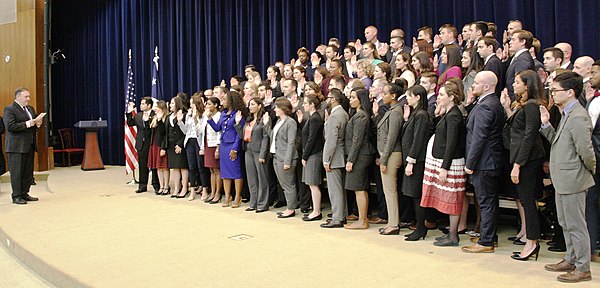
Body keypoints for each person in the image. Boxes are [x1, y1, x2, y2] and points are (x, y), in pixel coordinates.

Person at [541, 72, 594, 283]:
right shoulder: (566, 114)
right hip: (563, 178)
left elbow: (586, 152)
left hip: (574, 179)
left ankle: (583, 267)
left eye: (555, 91)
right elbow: (559, 143)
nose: (552, 94)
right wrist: (546, 125)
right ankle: (571, 259)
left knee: (576, 225)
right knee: (565, 222)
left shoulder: (579, 116)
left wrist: (590, 170)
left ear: (570, 92)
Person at [502, 70, 546, 260]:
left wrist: (518, 164)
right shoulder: (524, 105)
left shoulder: (532, 106)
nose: (513, 84)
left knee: (528, 201)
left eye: (518, 82)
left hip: (527, 159)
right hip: (521, 156)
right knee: (525, 200)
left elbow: (529, 136)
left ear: (527, 85)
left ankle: (532, 242)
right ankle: (530, 241)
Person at [462, 71, 505, 253]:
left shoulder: (487, 106)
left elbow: (479, 137)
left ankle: (486, 242)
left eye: (477, 83)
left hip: (484, 162)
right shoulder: (488, 103)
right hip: (488, 161)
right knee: (488, 201)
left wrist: (470, 164)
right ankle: (488, 235)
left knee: (486, 201)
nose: (473, 85)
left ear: (486, 86)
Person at [421, 81, 466, 246]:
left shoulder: (454, 115)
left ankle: (453, 235)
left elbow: (452, 143)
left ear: (451, 97)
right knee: (447, 198)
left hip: (451, 164)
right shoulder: (448, 113)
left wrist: (444, 167)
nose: (438, 97)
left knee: (452, 199)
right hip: (443, 161)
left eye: (441, 95)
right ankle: (451, 234)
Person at [207, 91, 247, 208]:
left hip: (233, 145)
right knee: (225, 173)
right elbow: (217, 128)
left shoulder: (238, 114)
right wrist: (210, 118)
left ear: (231, 101)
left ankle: (237, 196)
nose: (222, 102)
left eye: (224, 100)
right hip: (224, 145)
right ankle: (227, 196)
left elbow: (239, 134)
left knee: (236, 172)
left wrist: (235, 148)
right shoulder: (224, 113)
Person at [374, 83, 405, 235]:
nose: (382, 95)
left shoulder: (396, 112)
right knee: (388, 190)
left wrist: (384, 159)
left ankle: (393, 224)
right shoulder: (392, 110)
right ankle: (392, 221)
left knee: (390, 191)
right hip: (388, 153)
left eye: (385, 93)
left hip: (392, 154)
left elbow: (392, 138)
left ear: (393, 96)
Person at [401, 85, 431, 241]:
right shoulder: (415, 114)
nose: (407, 98)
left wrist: (411, 161)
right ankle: (419, 227)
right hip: (411, 159)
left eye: (409, 95)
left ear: (418, 97)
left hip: (416, 160)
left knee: (416, 195)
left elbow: (418, 140)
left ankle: (420, 228)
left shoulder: (421, 115)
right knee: (413, 195)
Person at [344, 88, 376, 229]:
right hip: (361, 154)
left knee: (359, 188)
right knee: (361, 187)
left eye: (353, 97)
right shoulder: (358, 115)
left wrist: (351, 160)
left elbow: (357, 140)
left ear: (360, 99)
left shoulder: (361, 116)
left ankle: (362, 220)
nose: (350, 100)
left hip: (360, 155)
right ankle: (363, 218)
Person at [4, 88, 42, 205]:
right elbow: (10, 126)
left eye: (29, 97)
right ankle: (16, 196)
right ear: (18, 97)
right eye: (26, 97)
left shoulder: (30, 109)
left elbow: (32, 126)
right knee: (17, 172)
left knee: (27, 172)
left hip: (29, 145)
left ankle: (25, 193)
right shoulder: (9, 109)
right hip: (16, 147)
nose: (28, 99)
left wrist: (38, 125)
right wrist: (28, 123)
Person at [234, 97, 270, 212]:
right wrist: (238, 123)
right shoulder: (249, 120)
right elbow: (242, 136)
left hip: (259, 151)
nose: (250, 107)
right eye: (249, 104)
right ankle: (253, 203)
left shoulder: (264, 119)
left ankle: (262, 204)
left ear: (259, 106)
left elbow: (265, 138)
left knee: (262, 178)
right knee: (251, 178)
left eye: (253, 104)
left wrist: (263, 154)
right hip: (248, 151)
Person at [265, 98, 298, 218]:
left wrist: (288, 161)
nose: (275, 109)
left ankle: (291, 208)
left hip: (285, 157)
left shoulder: (290, 122)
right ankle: (289, 206)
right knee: (283, 184)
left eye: (277, 107)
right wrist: (266, 124)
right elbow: (273, 137)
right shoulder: (279, 121)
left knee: (288, 184)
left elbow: (291, 142)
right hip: (276, 156)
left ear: (283, 108)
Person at [320, 89, 349, 228]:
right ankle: (341, 215)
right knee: (339, 188)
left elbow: (331, 140)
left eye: (328, 97)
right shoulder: (343, 113)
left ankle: (337, 218)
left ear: (333, 99)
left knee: (335, 189)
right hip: (340, 154)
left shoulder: (335, 116)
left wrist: (326, 159)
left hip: (334, 156)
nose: (326, 100)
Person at [298, 94, 325, 221]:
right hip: (311, 153)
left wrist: (305, 155)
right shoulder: (312, 117)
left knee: (313, 183)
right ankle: (315, 210)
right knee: (311, 183)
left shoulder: (315, 118)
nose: (303, 105)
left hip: (313, 154)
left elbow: (312, 139)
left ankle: (316, 211)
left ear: (312, 104)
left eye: (305, 103)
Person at [178, 95, 209, 201]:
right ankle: (192, 191)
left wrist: (196, 119)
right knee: (191, 167)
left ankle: (204, 189)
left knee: (201, 167)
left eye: (192, 103)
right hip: (189, 141)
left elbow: (201, 131)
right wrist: (180, 122)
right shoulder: (188, 115)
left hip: (198, 141)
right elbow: (186, 131)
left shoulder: (204, 116)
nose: (190, 106)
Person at [126, 96, 158, 193]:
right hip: (141, 144)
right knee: (142, 165)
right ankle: (142, 185)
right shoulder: (138, 115)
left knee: (154, 165)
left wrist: (148, 121)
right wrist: (129, 112)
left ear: (149, 105)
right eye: (141, 104)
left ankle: (156, 185)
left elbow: (153, 128)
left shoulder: (154, 114)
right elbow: (130, 123)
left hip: (151, 143)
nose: (141, 105)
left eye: (143, 104)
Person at [165, 96, 189, 198]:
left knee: (182, 167)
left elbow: (186, 132)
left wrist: (180, 144)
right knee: (175, 167)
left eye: (172, 103)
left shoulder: (184, 115)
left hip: (180, 143)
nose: (170, 105)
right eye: (170, 103)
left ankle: (184, 188)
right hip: (171, 144)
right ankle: (176, 188)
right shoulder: (169, 116)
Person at [202, 97, 223, 204]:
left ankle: (218, 193)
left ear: (215, 105)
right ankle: (213, 191)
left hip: (215, 144)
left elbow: (219, 132)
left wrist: (218, 148)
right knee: (211, 170)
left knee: (217, 170)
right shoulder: (206, 115)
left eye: (209, 104)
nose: (207, 106)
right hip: (208, 143)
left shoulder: (219, 115)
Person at [148, 100, 170, 195]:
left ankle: (166, 186)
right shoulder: (154, 118)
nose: (154, 109)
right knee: (158, 167)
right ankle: (161, 186)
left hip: (162, 145)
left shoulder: (166, 118)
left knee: (164, 167)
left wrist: (163, 148)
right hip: (154, 144)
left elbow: (164, 133)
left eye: (156, 107)